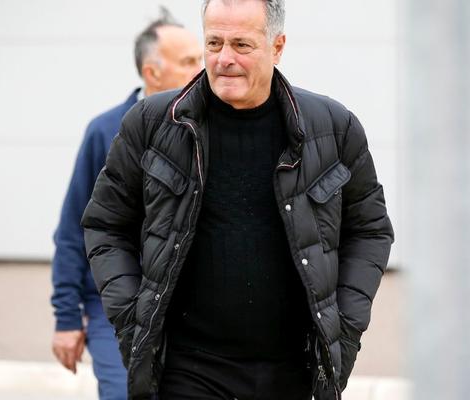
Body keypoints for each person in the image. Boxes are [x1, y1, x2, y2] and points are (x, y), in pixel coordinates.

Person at [81, 0, 394, 399]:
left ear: (277, 47)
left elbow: (370, 231)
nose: (224, 59)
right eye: (214, 43)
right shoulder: (152, 124)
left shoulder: (333, 129)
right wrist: (132, 321)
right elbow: (106, 224)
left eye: (241, 45)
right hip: (187, 373)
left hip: (293, 373)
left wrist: (344, 331)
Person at [50, 9, 202, 400]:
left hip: (190, 308)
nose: (202, 70)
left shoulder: (208, 130)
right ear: (152, 73)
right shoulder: (105, 132)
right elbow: (73, 230)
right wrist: (66, 318)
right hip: (115, 307)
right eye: (189, 62)